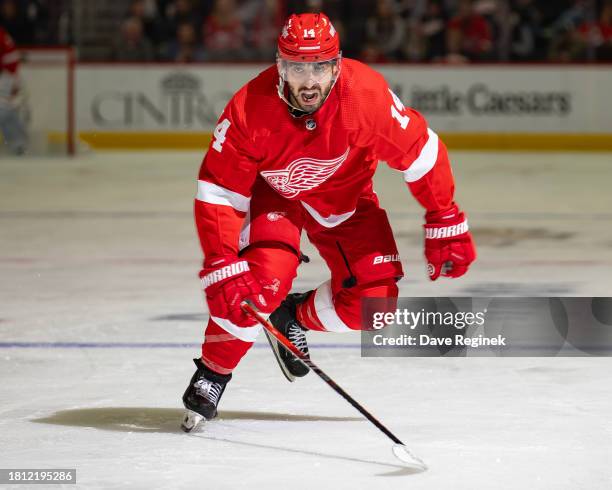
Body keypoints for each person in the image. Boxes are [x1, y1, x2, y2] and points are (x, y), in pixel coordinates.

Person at [182, 12, 476, 431]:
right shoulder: (249, 109)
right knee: (260, 284)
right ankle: (213, 374)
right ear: (280, 66)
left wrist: (444, 213)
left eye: (320, 66)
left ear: (337, 65)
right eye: (297, 67)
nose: (309, 80)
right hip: (275, 196)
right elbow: (219, 191)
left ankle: (293, 317)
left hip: (345, 197)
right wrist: (221, 259)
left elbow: (421, 152)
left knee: (375, 306)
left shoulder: (365, 96)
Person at [0, 25, 27, 154]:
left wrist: (13, 82)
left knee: (3, 109)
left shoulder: (1, 34)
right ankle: (18, 143)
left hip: (6, 77)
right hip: (7, 76)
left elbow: (11, 60)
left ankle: (19, 143)